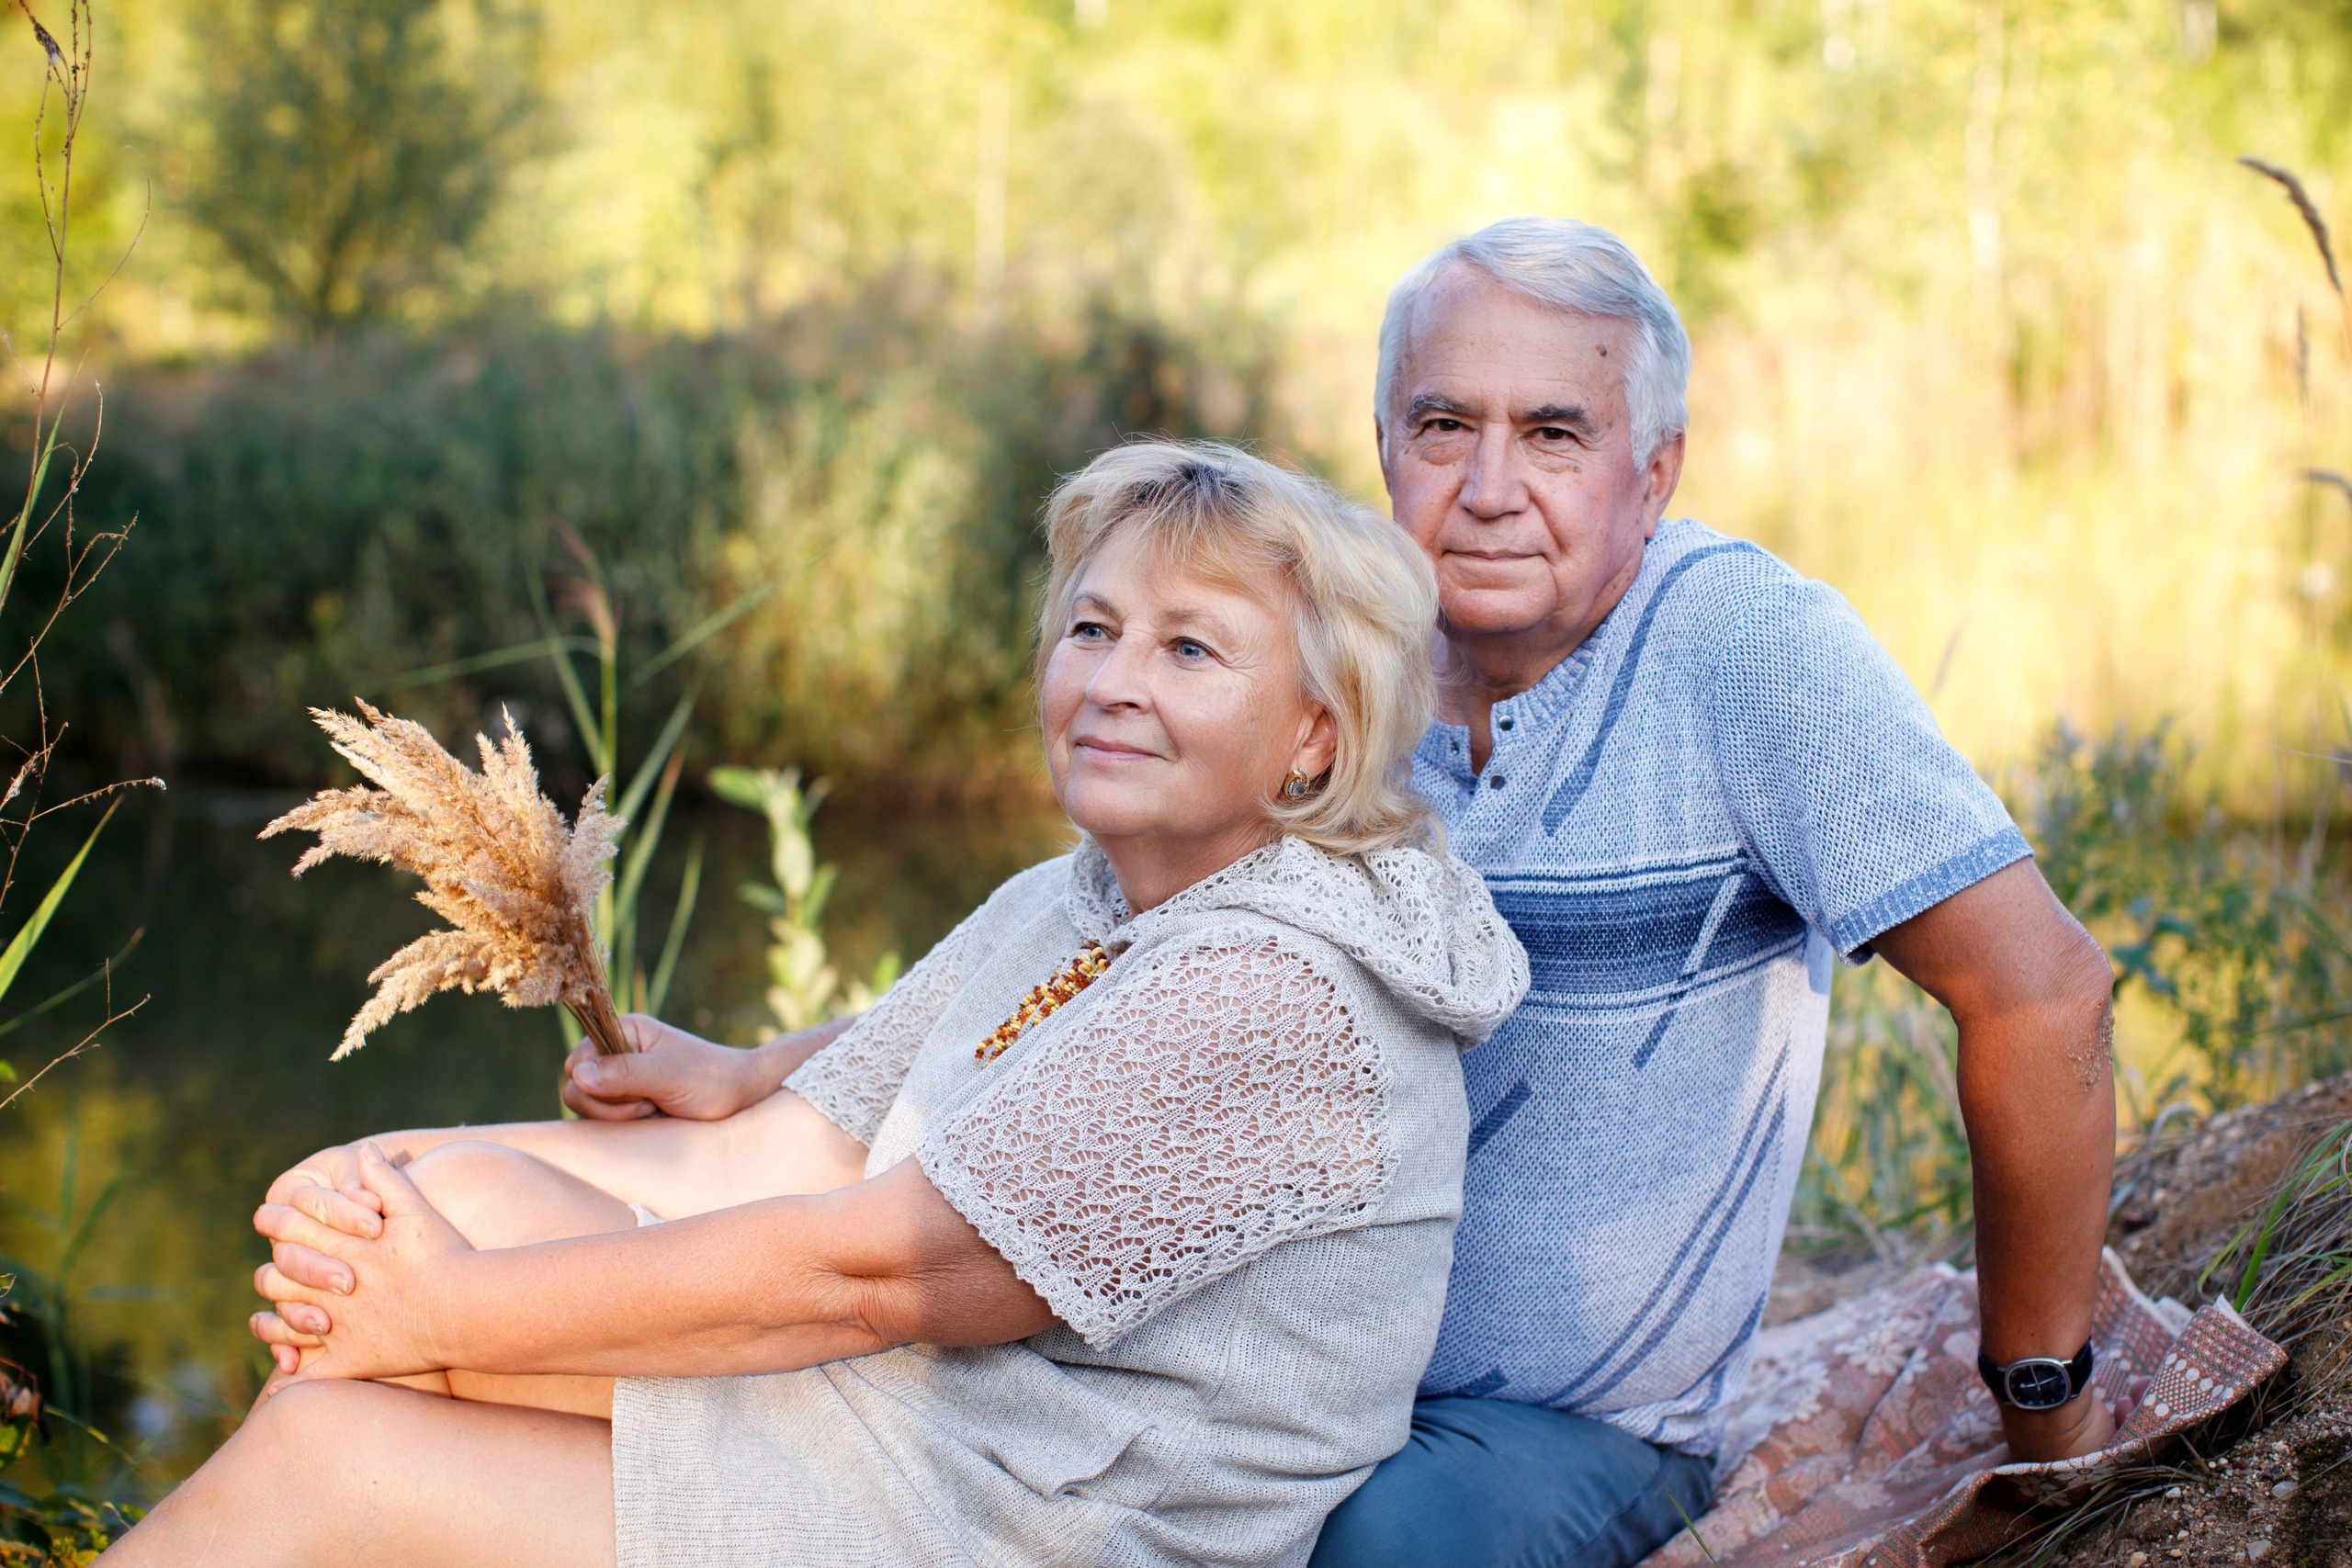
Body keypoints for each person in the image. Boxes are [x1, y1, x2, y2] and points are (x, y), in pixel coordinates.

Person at [510, 219, 2128, 1568]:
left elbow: (2038, 992)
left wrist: (2039, 1402)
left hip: (1536, 1429)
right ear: (1384, 447)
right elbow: (1100, 931)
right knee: (811, 1425)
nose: (1491, 485)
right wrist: (769, 1072)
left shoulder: (1745, 658)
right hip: (1220, 1362)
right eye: (1445, 426)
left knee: (1390, 1551)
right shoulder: (1328, 655)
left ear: (1657, 467)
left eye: (1554, 434)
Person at [103, 440, 1531, 1568]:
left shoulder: (1281, 992)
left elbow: (880, 1274)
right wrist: (380, 1185)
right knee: (444, 1210)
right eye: (1092, 628)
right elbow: (776, 1156)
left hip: (1050, 1522)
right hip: (936, 1432)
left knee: (335, 1455)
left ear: (1313, 736)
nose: (1109, 682)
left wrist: (446, 1310)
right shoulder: (1074, 896)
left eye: (1190, 649)